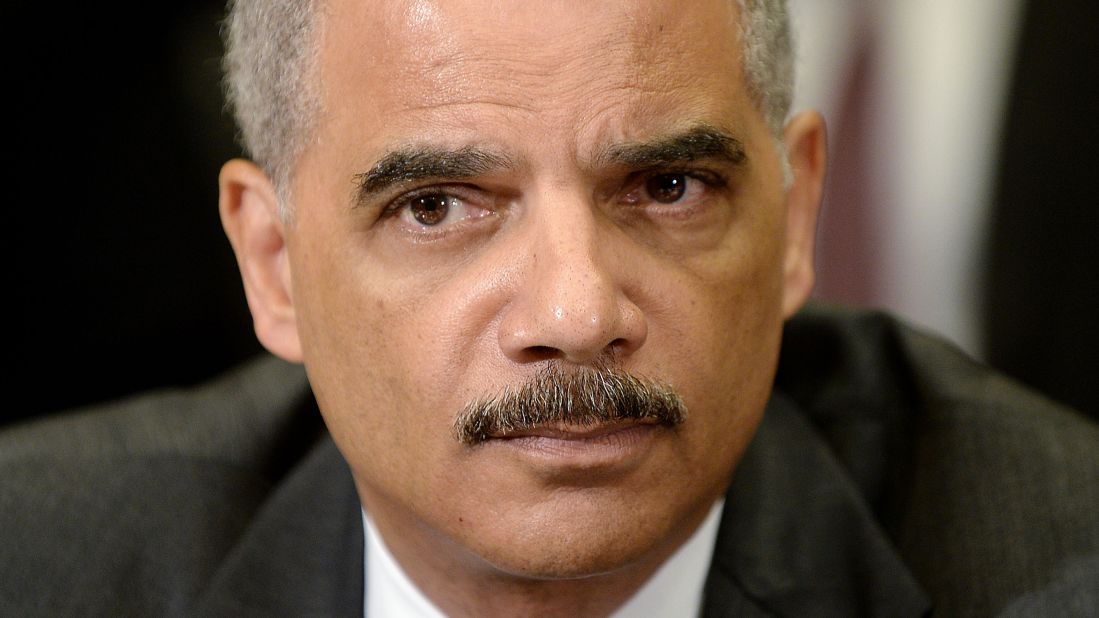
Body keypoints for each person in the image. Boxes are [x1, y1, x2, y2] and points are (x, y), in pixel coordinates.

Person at [2, 0, 1096, 616]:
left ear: (794, 217)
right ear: (274, 262)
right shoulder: (42, 562)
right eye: (437, 206)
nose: (576, 313)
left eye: (667, 188)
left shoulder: (1057, 563)